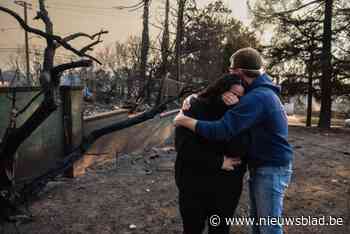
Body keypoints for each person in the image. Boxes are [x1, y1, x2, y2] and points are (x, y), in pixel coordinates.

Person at [174, 47, 293, 234]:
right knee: (260, 224)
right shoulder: (258, 91)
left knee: (268, 226)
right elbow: (185, 144)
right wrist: (191, 99)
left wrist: (184, 120)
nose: (229, 74)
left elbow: (223, 130)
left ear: (238, 71)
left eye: (231, 70)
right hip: (263, 166)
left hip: (270, 168)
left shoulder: (256, 97)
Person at [175, 74, 249, 234]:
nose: (234, 98)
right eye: (232, 93)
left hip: (225, 187)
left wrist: (233, 110)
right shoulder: (195, 106)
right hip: (193, 183)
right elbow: (184, 146)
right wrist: (218, 162)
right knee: (192, 228)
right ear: (221, 89)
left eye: (239, 96)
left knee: (220, 229)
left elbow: (239, 150)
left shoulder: (239, 114)